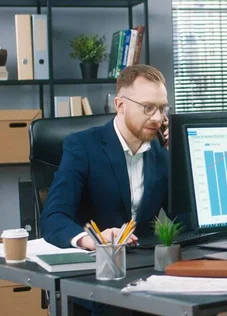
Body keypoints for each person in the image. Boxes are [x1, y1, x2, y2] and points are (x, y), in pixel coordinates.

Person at [41, 64, 170, 251]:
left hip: (146, 261)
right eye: (148, 107)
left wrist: (182, 155)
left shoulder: (162, 153)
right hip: (96, 263)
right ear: (120, 105)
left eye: (162, 108)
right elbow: (53, 218)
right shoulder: (82, 147)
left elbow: (188, 218)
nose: (157, 118)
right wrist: (91, 240)